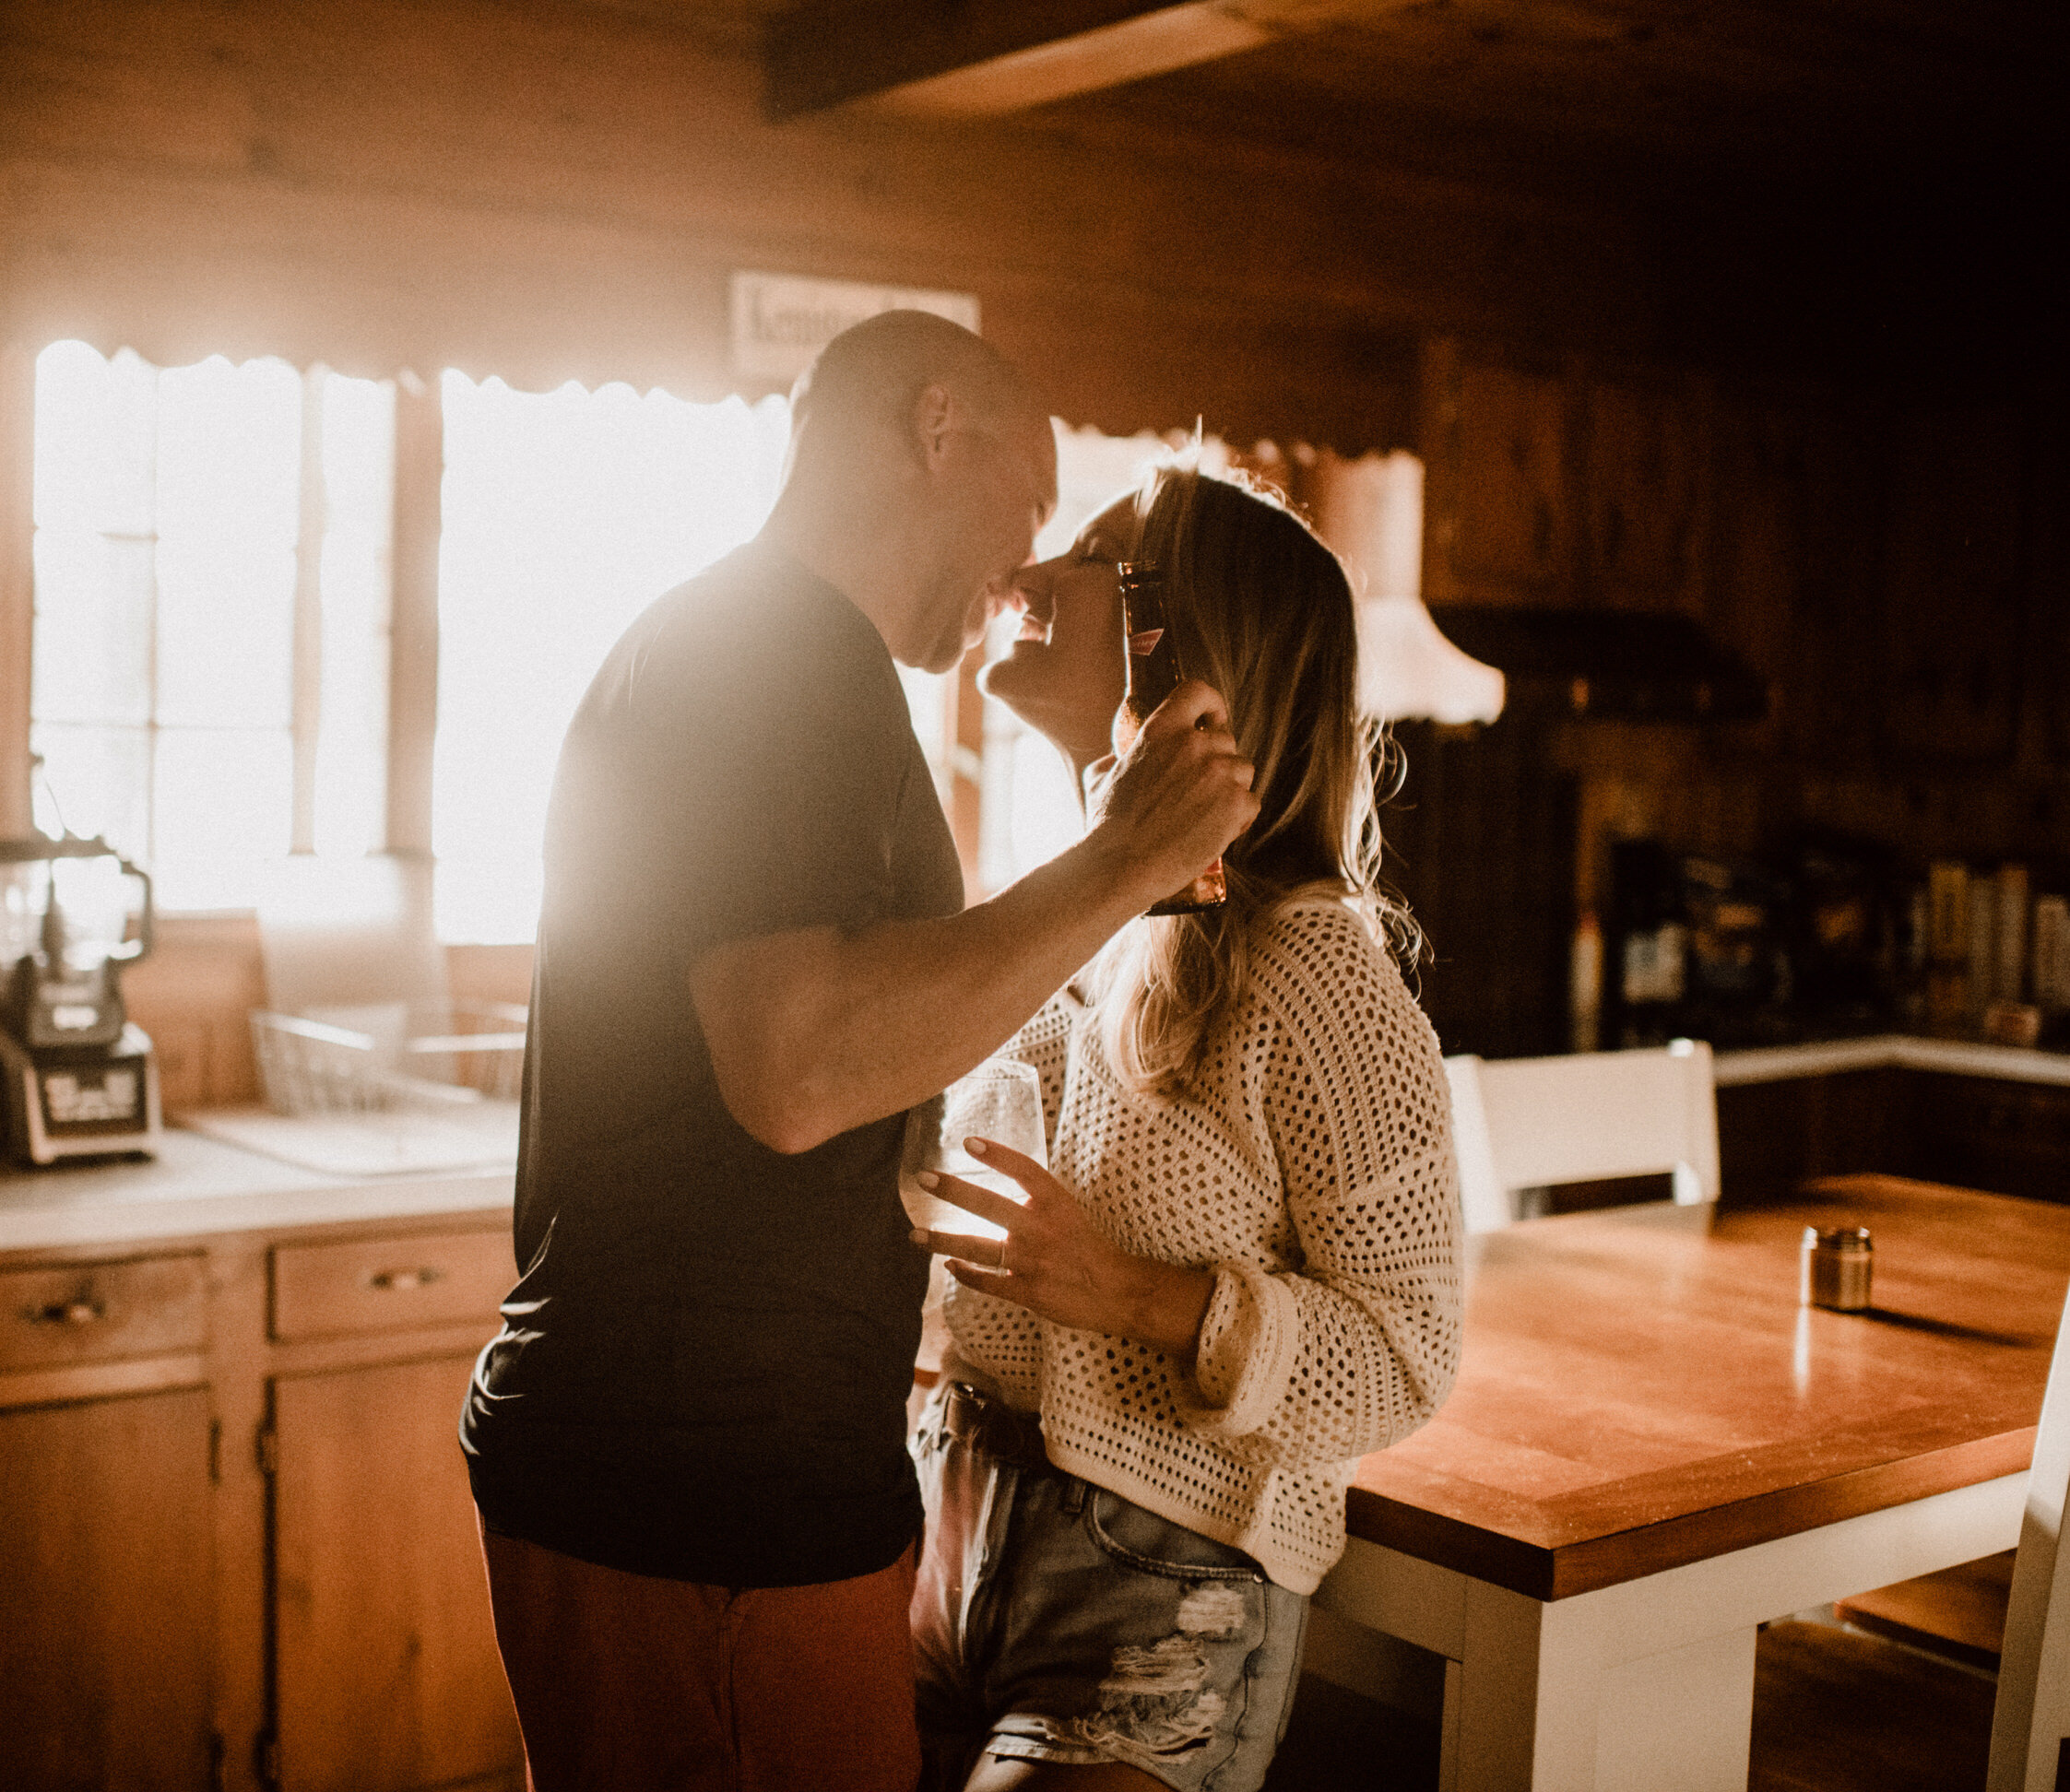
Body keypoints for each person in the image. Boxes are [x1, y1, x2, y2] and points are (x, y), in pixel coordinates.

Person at [458, 312, 1260, 1792]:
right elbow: (796, 1070)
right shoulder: (779, 654)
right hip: (701, 1487)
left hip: (686, 1465)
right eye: (1026, 507)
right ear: (933, 426)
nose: (1023, 572)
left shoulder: (752, 649)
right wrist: (1122, 859)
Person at [909, 463, 1465, 1792]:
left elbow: (1407, 1357)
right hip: (938, 1549)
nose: (1021, 582)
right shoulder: (1053, 926)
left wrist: (1124, 1293)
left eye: (1090, 555)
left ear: (1185, 644)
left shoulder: (1317, 978)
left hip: (1154, 1607)